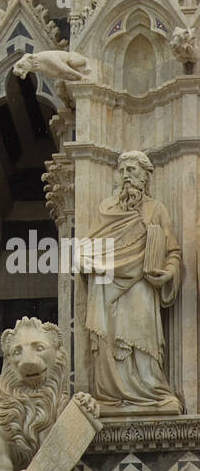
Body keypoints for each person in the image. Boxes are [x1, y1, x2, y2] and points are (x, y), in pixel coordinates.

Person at [81, 151, 182, 416]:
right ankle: (111, 397)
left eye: (132, 170)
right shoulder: (106, 210)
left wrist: (169, 273)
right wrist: (85, 260)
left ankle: (152, 393)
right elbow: (89, 248)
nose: (126, 176)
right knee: (111, 340)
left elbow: (173, 251)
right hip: (108, 288)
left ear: (145, 176)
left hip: (142, 285)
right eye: (122, 170)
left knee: (141, 336)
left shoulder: (156, 209)